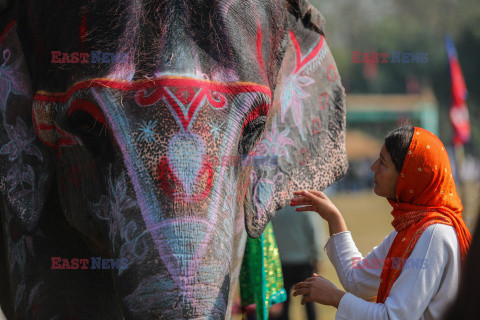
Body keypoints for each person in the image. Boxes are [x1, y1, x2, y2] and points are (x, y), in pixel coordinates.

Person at [290, 126, 471, 320]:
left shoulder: (433, 234)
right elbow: (357, 280)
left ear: (407, 176)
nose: (373, 167)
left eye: (383, 163)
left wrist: (336, 298)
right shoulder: (411, 229)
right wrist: (334, 218)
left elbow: (395, 317)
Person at [271, 205, 326, 320]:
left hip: (281, 261)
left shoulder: (276, 206)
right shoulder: (304, 207)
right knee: (310, 300)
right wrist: (318, 257)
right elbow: (315, 232)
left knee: (283, 302)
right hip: (303, 261)